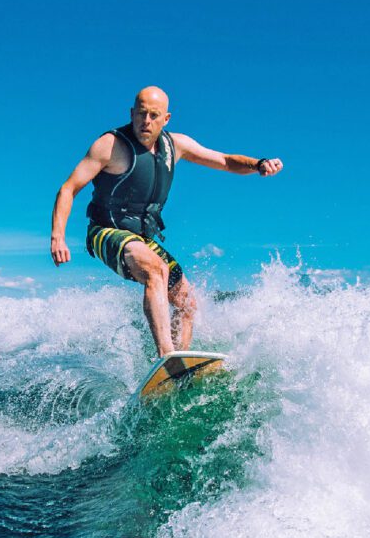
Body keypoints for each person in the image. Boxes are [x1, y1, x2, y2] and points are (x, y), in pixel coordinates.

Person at [50, 86, 283, 356]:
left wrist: (258, 164)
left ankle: (177, 365)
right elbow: (68, 188)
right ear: (131, 113)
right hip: (106, 231)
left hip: (142, 238)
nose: (145, 121)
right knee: (154, 268)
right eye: (140, 114)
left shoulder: (176, 145)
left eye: (153, 115)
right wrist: (58, 236)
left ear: (166, 119)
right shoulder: (110, 146)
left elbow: (224, 160)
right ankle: (166, 354)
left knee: (187, 302)